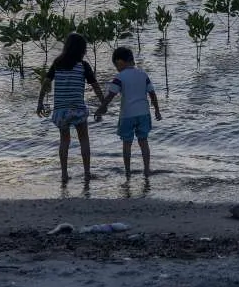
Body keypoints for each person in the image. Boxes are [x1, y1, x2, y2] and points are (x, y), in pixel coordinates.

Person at [36, 33, 104, 184]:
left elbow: (45, 84)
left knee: (64, 141)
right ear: (82, 49)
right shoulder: (83, 66)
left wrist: (40, 103)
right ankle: (87, 173)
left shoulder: (57, 63)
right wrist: (103, 103)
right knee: (84, 140)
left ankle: (64, 174)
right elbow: (96, 87)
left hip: (61, 111)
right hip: (78, 109)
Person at [93, 46, 162, 178]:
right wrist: (157, 111)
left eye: (116, 65)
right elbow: (152, 93)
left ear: (119, 62)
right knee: (144, 142)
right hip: (144, 114)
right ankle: (147, 170)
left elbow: (110, 95)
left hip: (127, 115)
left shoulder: (120, 77)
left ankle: (128, 171)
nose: (116, 68)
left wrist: (101, 109)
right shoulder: (143, 74)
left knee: (127, 144)